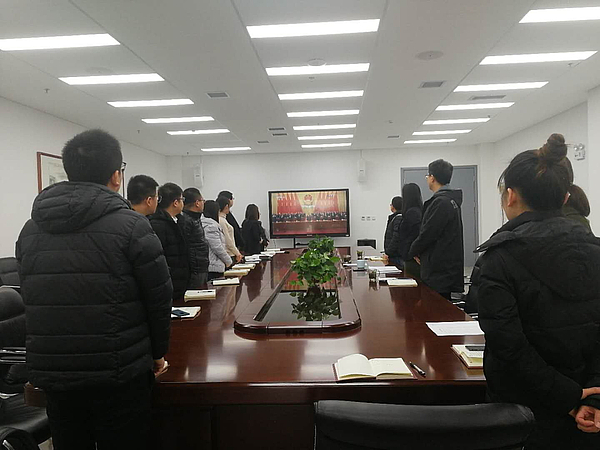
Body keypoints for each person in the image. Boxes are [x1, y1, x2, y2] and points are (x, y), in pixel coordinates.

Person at [16, 129, 172, 450]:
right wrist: (157, 354)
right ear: (116, 176)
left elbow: (31, 295)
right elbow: (158, 298)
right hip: (120, 373)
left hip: (57, 374)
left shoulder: (31, 230)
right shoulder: (132, 226)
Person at [477, 134, 600, 449]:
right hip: (587, 416)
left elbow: (509, 348)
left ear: (510, 196)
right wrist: (591, 397)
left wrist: (568, 398)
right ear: (565, 198)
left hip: (520, 417)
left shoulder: (499, 258)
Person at [408, 159, 464, 299]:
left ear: (432, 178)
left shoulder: (441, 203)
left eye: (427, 176)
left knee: (436, 308)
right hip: (443, 267)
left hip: (439, 270)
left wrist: (414, 250)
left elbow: (428, 233)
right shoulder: (449, 200)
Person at [149, 183, 190, 299]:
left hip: (180, 280)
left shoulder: (178, 220)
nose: (183, 203)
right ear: (175, 202)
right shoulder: (157, 224)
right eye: (182, 199)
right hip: (170, 282)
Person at [182, 188, 209, 288]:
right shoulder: (186, 220)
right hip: (195, 269)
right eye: (203, 201)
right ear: (197, 203)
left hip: (201, 265)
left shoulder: (195, 218)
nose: (203, 203)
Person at [202, 200, 232, 280]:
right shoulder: (211, 226)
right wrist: (228, 261)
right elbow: (217, 247)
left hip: (212, 264)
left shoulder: (207, 224)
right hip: (214, 265)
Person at [397, 183, 423, 278]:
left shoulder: (412, 213)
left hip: (411, 256)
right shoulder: (417, 211)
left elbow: (415, 234)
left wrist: (414, 253)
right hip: (411, 255)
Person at [218, 195, 243, 263]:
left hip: (231, 252)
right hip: (229, 253)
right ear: (226, 206)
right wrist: (237, 253)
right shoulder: (221, 220)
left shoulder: (223, 219)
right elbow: (228, 241)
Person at [383, 196, 403, 266]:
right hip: (394, 254)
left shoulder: (398, 218)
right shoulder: (396, 217)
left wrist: (388, 252)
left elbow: (395, 237)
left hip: (396, 255)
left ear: (393, 206)